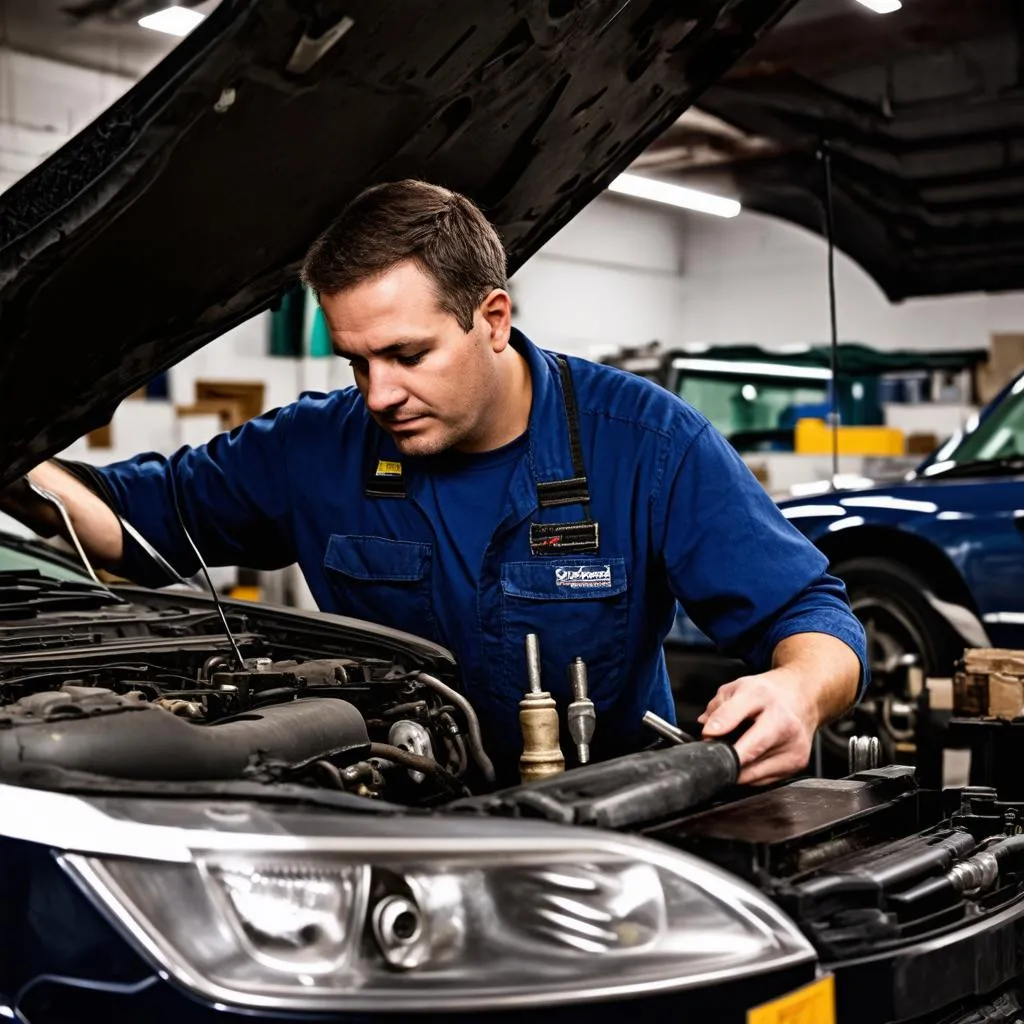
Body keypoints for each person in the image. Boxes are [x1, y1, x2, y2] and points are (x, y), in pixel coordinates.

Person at [0, 179, 866, 786]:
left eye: (408, 355)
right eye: (356, 362)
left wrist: (797, 690)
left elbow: (811, 616)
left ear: (492, 318)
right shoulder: (314, 448)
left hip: (607, 837)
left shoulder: (645, 444)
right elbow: (125, 525)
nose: (378, 394)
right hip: (396, 814)